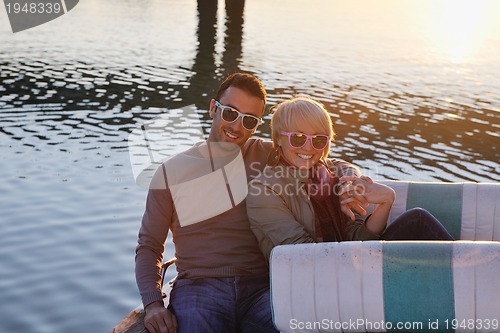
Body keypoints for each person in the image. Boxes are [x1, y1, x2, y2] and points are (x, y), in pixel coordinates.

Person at [135, 74, 364, 333]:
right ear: (213, 109)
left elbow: (331, 164)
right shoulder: (171, 172)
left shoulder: (268, 155)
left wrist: (349, 182)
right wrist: (153, 304)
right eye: (230, 113)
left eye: (248, 120)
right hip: (199, 287)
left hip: (263, 286)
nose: (237, 126)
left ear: (256, 125)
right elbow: (149, 246)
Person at [246, 96, 454, 262]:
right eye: (298, 138)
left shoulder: (329, 174)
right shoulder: (264, 191)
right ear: (278, 139)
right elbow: (304, 255)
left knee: (417, 220)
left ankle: (467, 285)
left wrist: (385, 201)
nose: (308, 147)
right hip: (312, 280)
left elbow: (359, 240)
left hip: (351, 264)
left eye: (318, 139)